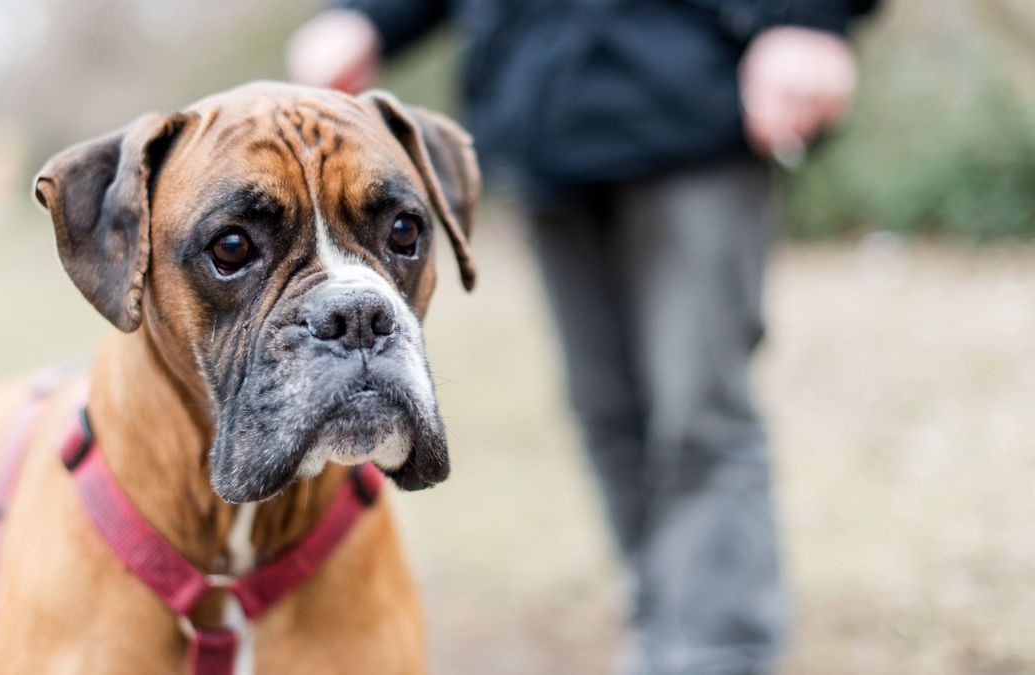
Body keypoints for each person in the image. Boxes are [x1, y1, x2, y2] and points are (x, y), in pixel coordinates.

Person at [287, 2, 876, 674]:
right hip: (541, 119)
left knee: (700, 413)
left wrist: (809, 15)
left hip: (696, 103)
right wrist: (369, 17)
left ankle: (719, 650)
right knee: (604, 412)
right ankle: (665, 632)